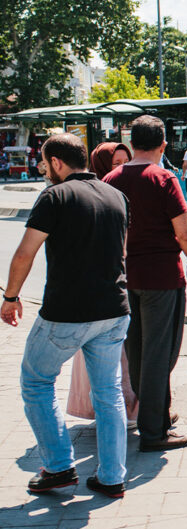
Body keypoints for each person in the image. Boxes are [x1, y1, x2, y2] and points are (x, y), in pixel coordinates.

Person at [2, 133, 130, 498]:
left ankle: (58, 468)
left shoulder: (54, 196)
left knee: (36, 380)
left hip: (67, 314)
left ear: (57, 162)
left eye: (44, 164)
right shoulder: (117, 196)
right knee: (109, 393)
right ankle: (112, 476)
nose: (43, 170)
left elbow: (25, 253)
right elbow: (120, 253)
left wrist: (10, 297)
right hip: (114, 310)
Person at [104, 115, 187, 452]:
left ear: (131, 145)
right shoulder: (164, 179)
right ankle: (153, 432)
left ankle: (158, 415)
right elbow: (184, 230)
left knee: (138, 350)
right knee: (161, 353)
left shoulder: (111, 178)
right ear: (163, 145)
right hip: (162, 277)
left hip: (126, 279)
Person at [67, 142, 140, 426]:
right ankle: (115, 413)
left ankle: (128, 410)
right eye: (114, 162)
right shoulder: (97, 195)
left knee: (125, 354)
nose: (120, 167)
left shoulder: (120, 191)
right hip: (105, 289)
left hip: (126, 282)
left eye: (125, 160)